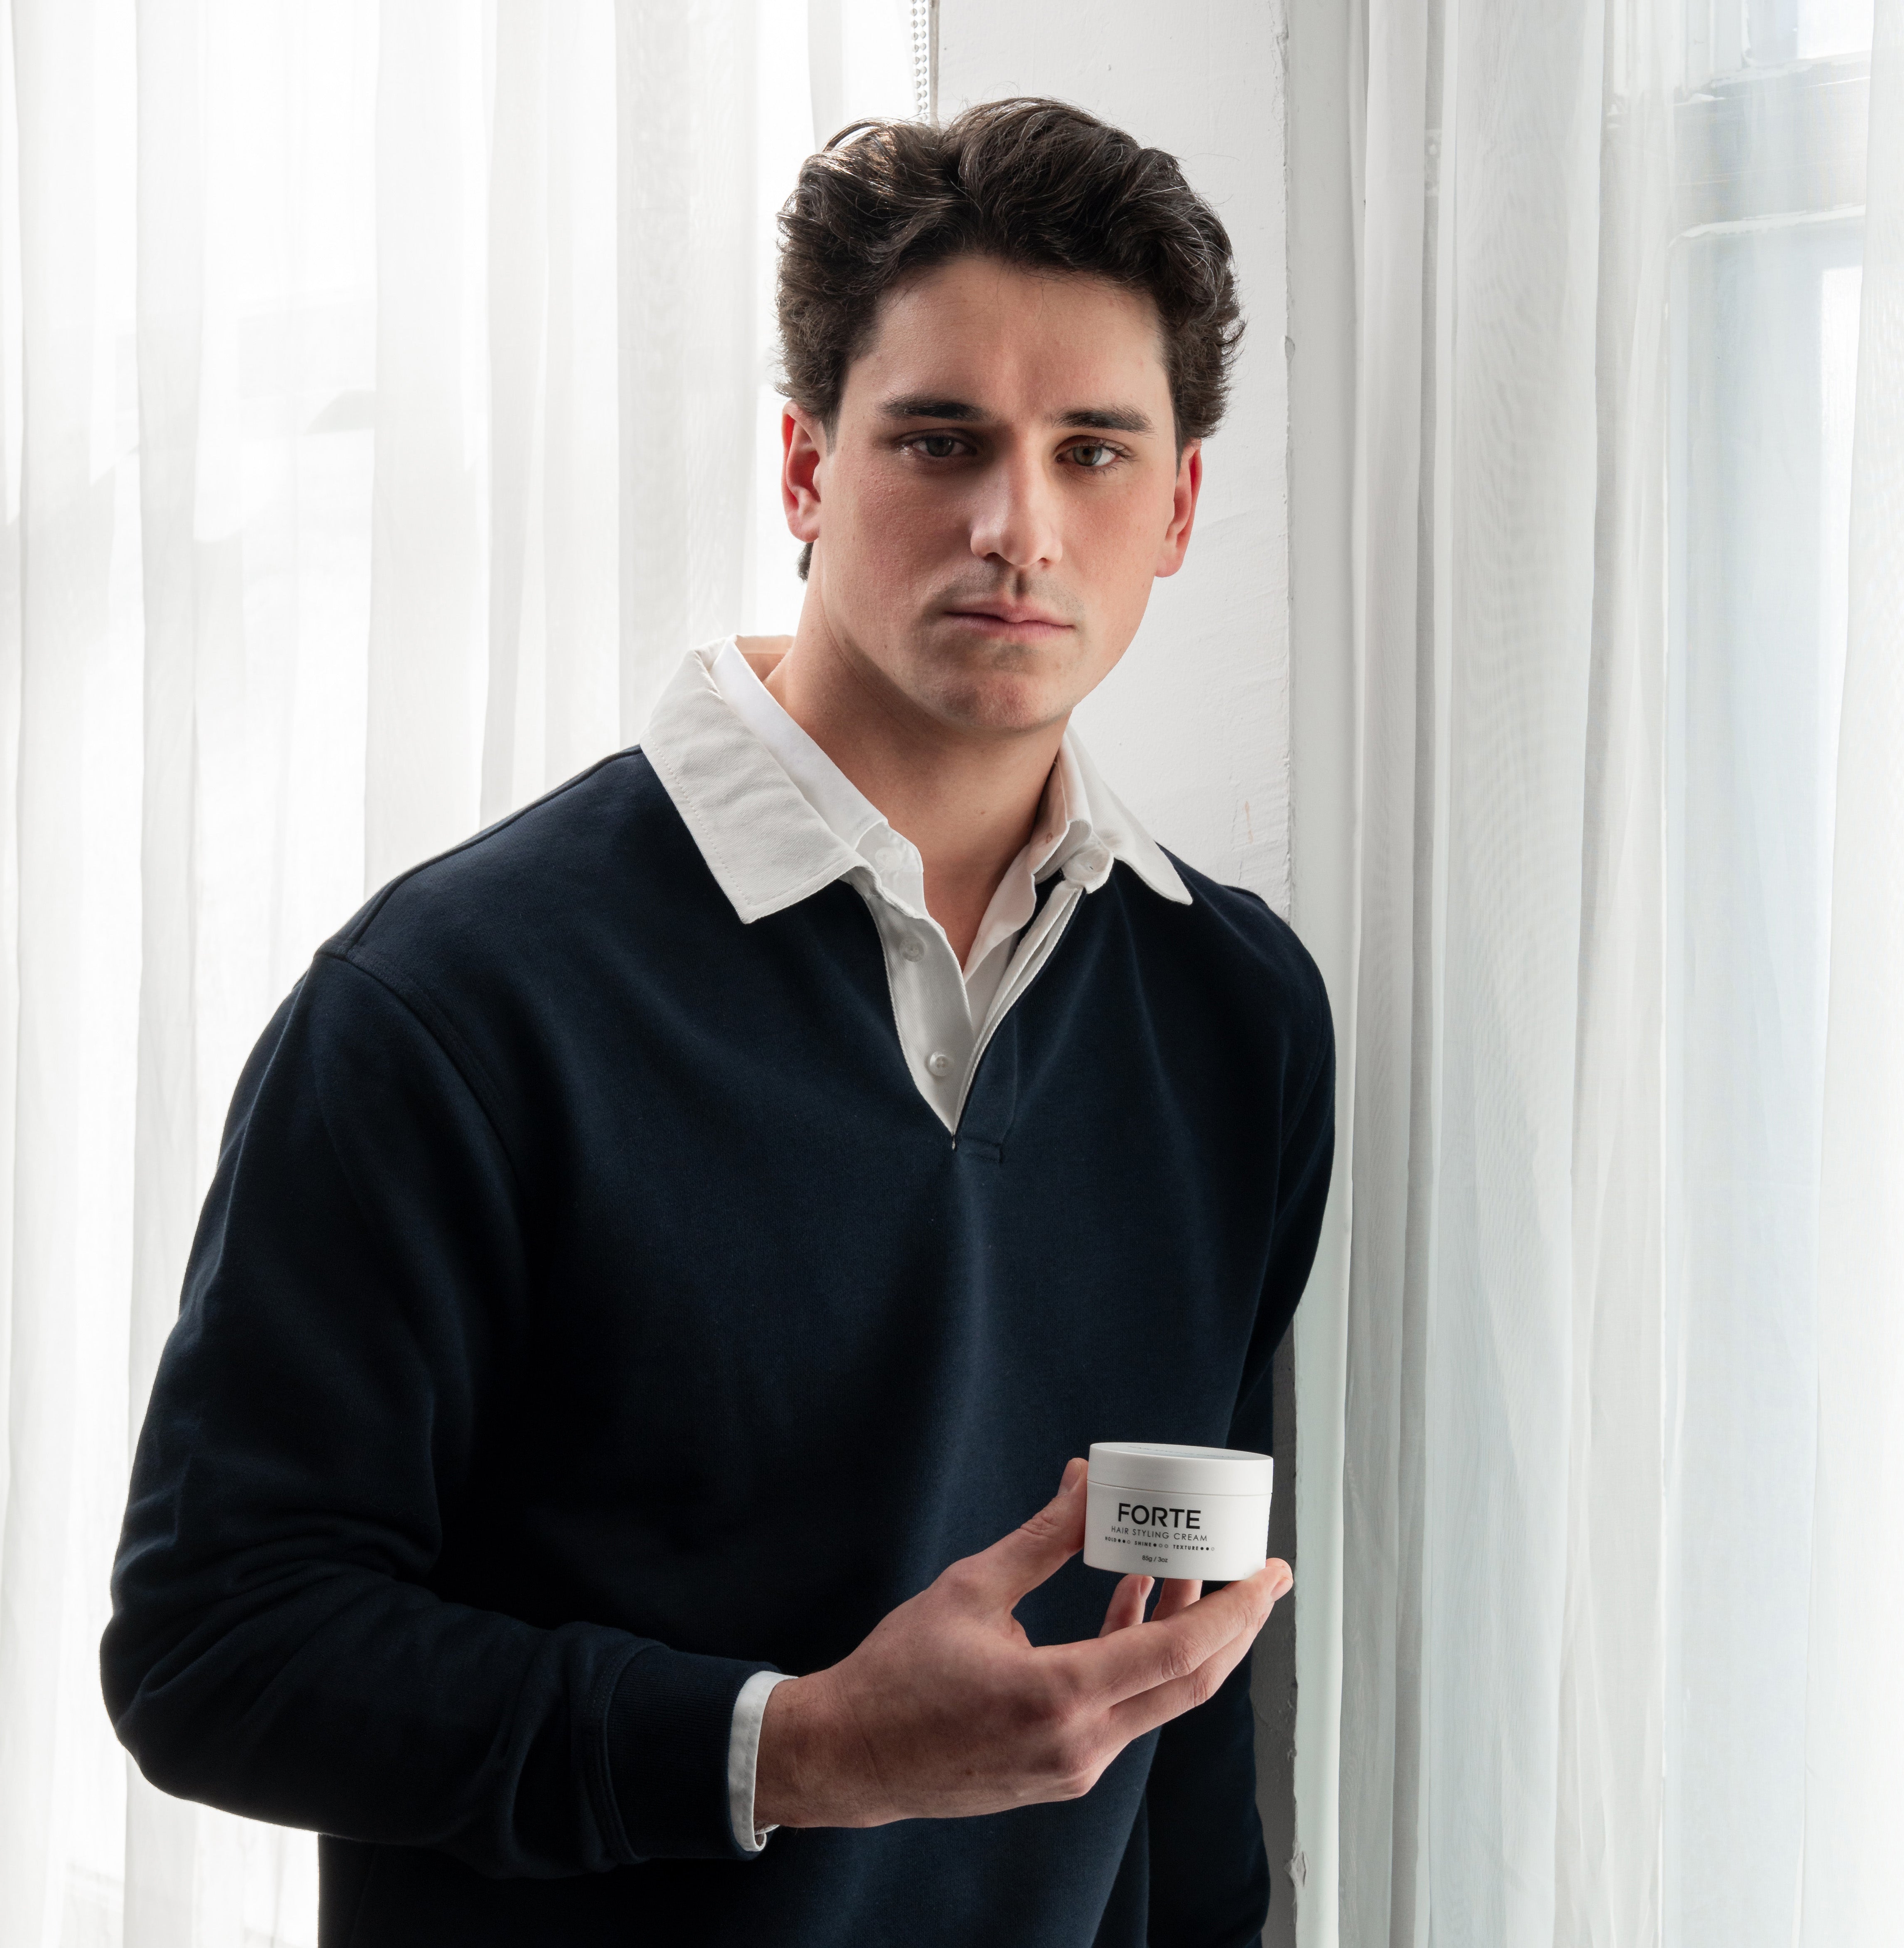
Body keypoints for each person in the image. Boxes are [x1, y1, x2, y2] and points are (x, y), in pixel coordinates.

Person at [103, 97, 1334, 1948]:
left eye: (1092, 450)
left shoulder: (1233, 1013)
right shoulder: (450, 1001)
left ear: (1175, 507)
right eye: (940, 439)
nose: (1017, 524)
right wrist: (793, 1746)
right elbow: (216, 1648)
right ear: (805, 470)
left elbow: (1187, 1700)